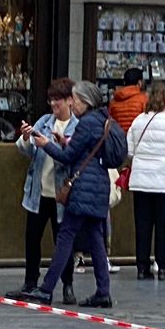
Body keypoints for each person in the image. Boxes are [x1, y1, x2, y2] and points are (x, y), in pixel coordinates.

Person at [19, 82, 123, 309]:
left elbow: (68, 157)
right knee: (96, 238)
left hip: (82, 187)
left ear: (85, 102)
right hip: (99, 187)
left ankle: (46, 289)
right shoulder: (102, 121)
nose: (72, 104)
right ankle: (103, 291)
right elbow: (85, 149)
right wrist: (65, 141)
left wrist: (47, 144)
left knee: (66, 235)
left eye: (75, 100)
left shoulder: (85, 124)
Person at [9, 79, 77, 302]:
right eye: (51, 100)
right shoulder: (44, 122)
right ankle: (30, 282)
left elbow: (73, 157)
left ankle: (68, 285)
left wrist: (52, 144)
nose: (54, 104)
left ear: (70, 101)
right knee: (32, 238)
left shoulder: (77, 127)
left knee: (63, 242)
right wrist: (27, 137)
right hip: (38, 192)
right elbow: (25, 149)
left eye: (58, 100)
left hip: (61, 194)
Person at [126, 80, 165, 281]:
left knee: (143, 225)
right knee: (164, 225)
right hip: (164, 179)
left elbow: (129, 151)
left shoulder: (139, 121)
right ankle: (164, 266)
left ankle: (142, 266)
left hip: (140, 180)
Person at [108, 66, 147, 134]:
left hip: (118, 140)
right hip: (136, 138)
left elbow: (110, 122)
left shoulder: (114, 101)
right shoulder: (143, 100)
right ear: (139, 83)